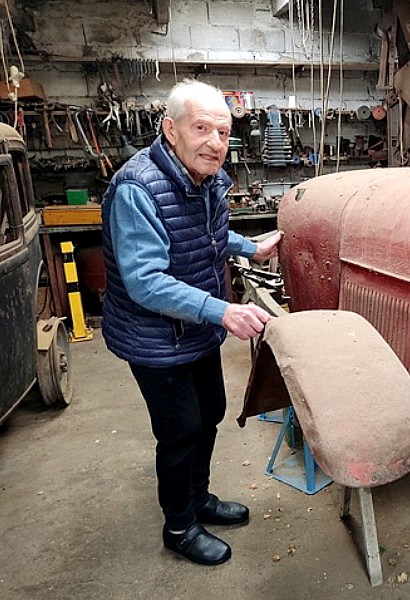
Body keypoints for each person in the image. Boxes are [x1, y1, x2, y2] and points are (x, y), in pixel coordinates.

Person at [101, 79, 281, 566]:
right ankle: (179, 526)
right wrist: (222, 310)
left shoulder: (205, 179)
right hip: (156, 339)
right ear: (170, 129)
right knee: (180, 430)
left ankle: (198, 499)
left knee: (210, 414)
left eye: (222, 132)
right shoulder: (137, 189)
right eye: (201, 128)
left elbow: (205, 237)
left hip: (197, 331)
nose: (215, 143)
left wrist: (250, 246)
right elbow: (146, 283)